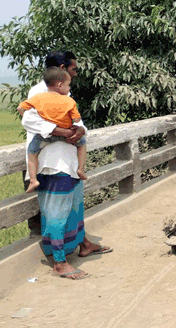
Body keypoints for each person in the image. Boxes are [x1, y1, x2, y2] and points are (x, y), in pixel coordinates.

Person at [21, 51, 111, 280]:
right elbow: (28, 119)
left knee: (74, 207)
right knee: (57, 212)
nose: (76, 74)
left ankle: (82, 244)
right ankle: (59, 262)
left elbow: (78, 122)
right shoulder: (39, 91)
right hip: (53, 162)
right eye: (74, 69)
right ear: (62, 69)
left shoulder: (64, 92)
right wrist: (61, 131)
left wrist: (80, 130)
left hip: (69, 162)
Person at [18, 68, 88, 193]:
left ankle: (33, 180)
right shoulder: (69, 101)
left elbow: (20, 108)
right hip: (67, 135)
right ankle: (81, 169)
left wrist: (26, 116)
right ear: (60, 85)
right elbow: (77, 120)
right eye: (68, 85)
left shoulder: (38, 98)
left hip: (45, 136)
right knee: (82, 144)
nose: (69, 89)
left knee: (32, 152)